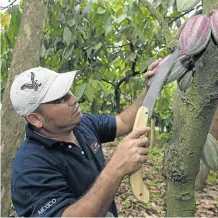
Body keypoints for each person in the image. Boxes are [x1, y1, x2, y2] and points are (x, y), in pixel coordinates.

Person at [10, 61, 160, 217]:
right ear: (35, 119)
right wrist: (116, 167)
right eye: (60, 99)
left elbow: (122, 122)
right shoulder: (29, 168)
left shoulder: (81, 123)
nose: (74, 99)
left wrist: (150, 89)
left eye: (68, 91)